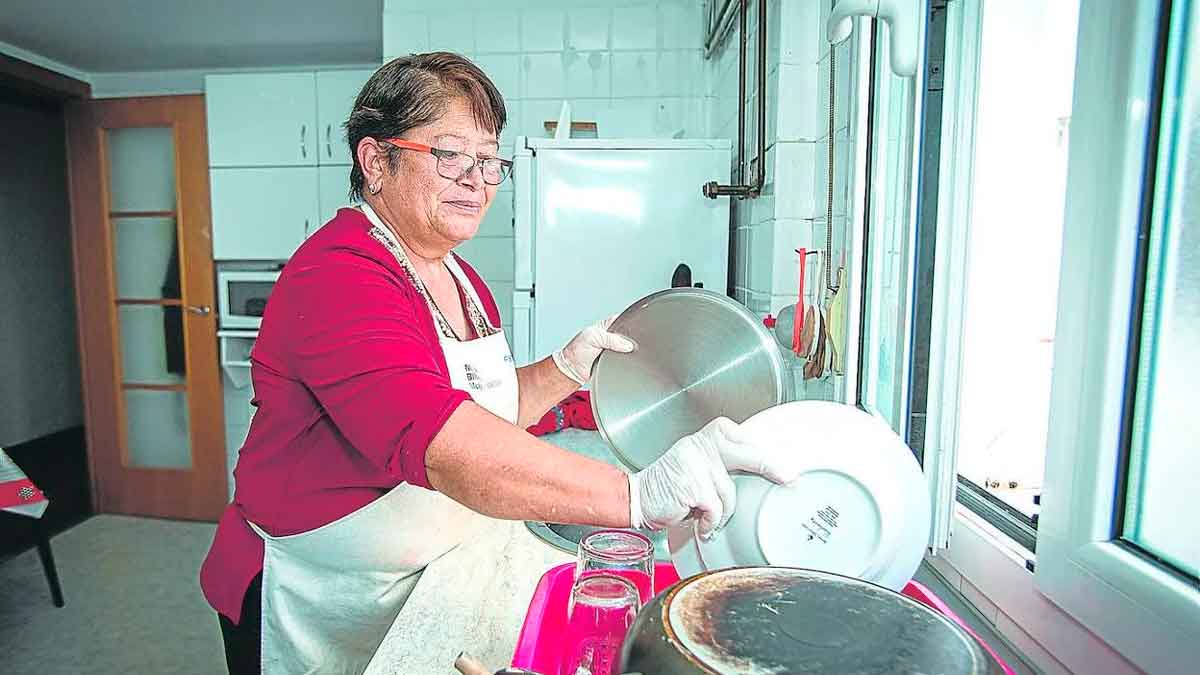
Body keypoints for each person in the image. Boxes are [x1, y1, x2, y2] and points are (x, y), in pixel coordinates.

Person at [199, 52, 796, 675]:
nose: (475, 179)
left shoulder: (459, 276)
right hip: (316, 594)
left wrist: (565, 368)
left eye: (488, 160)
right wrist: (636, 496)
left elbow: (485, 409)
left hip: (418, 575)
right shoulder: (341, 274)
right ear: (375, 161)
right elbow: (440, 442)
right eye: (449, 154)